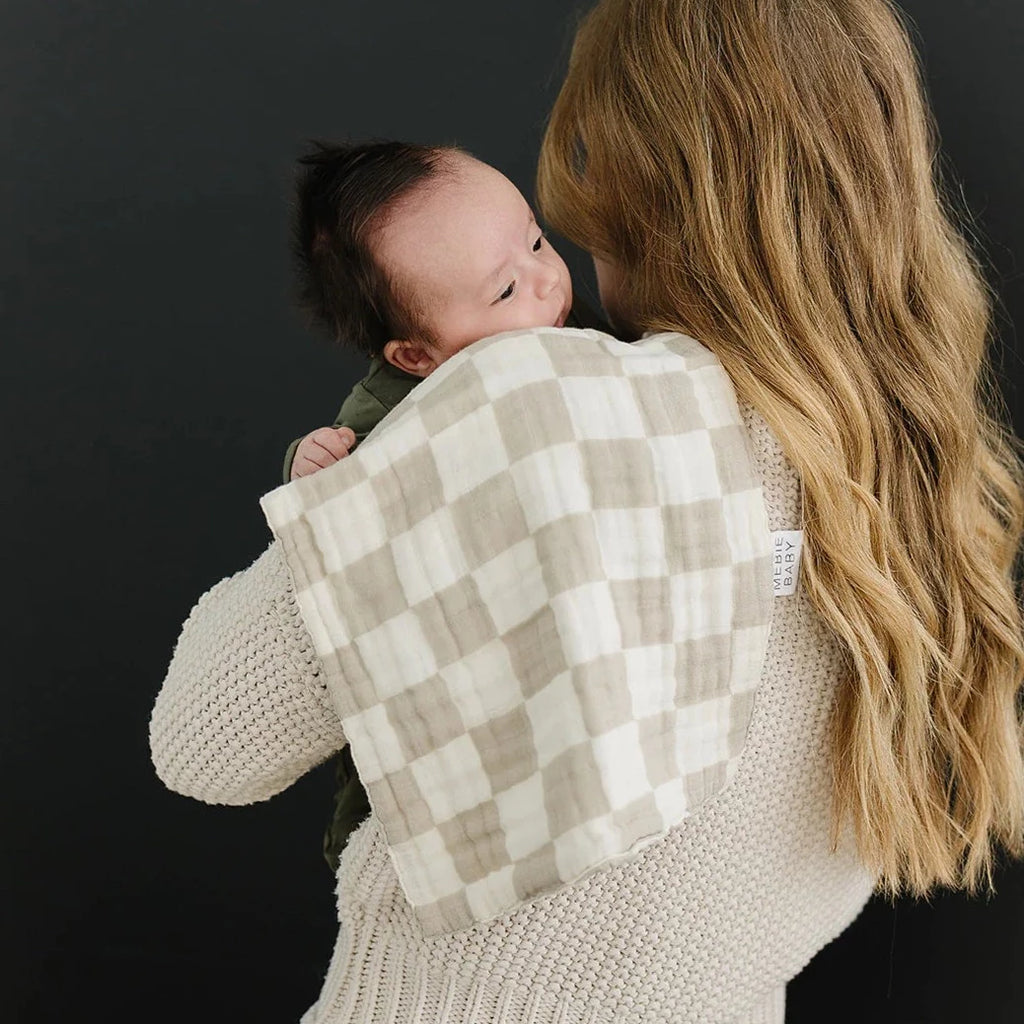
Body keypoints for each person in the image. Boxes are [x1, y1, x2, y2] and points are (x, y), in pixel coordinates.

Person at [149, 2, 1024, 1022]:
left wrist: (330, 511)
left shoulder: (531, 414)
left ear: (633, 181)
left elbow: (204, 744)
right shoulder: (914, 469)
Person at [276, 139, 610, 870]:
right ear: (417, 356)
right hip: (427, 650)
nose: (547, 282)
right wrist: (313, 467)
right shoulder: (389, 406)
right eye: (505, 291)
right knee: (394, 748)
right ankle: (360, 836)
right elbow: (334, 513)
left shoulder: (567, 328)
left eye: (536, 241)